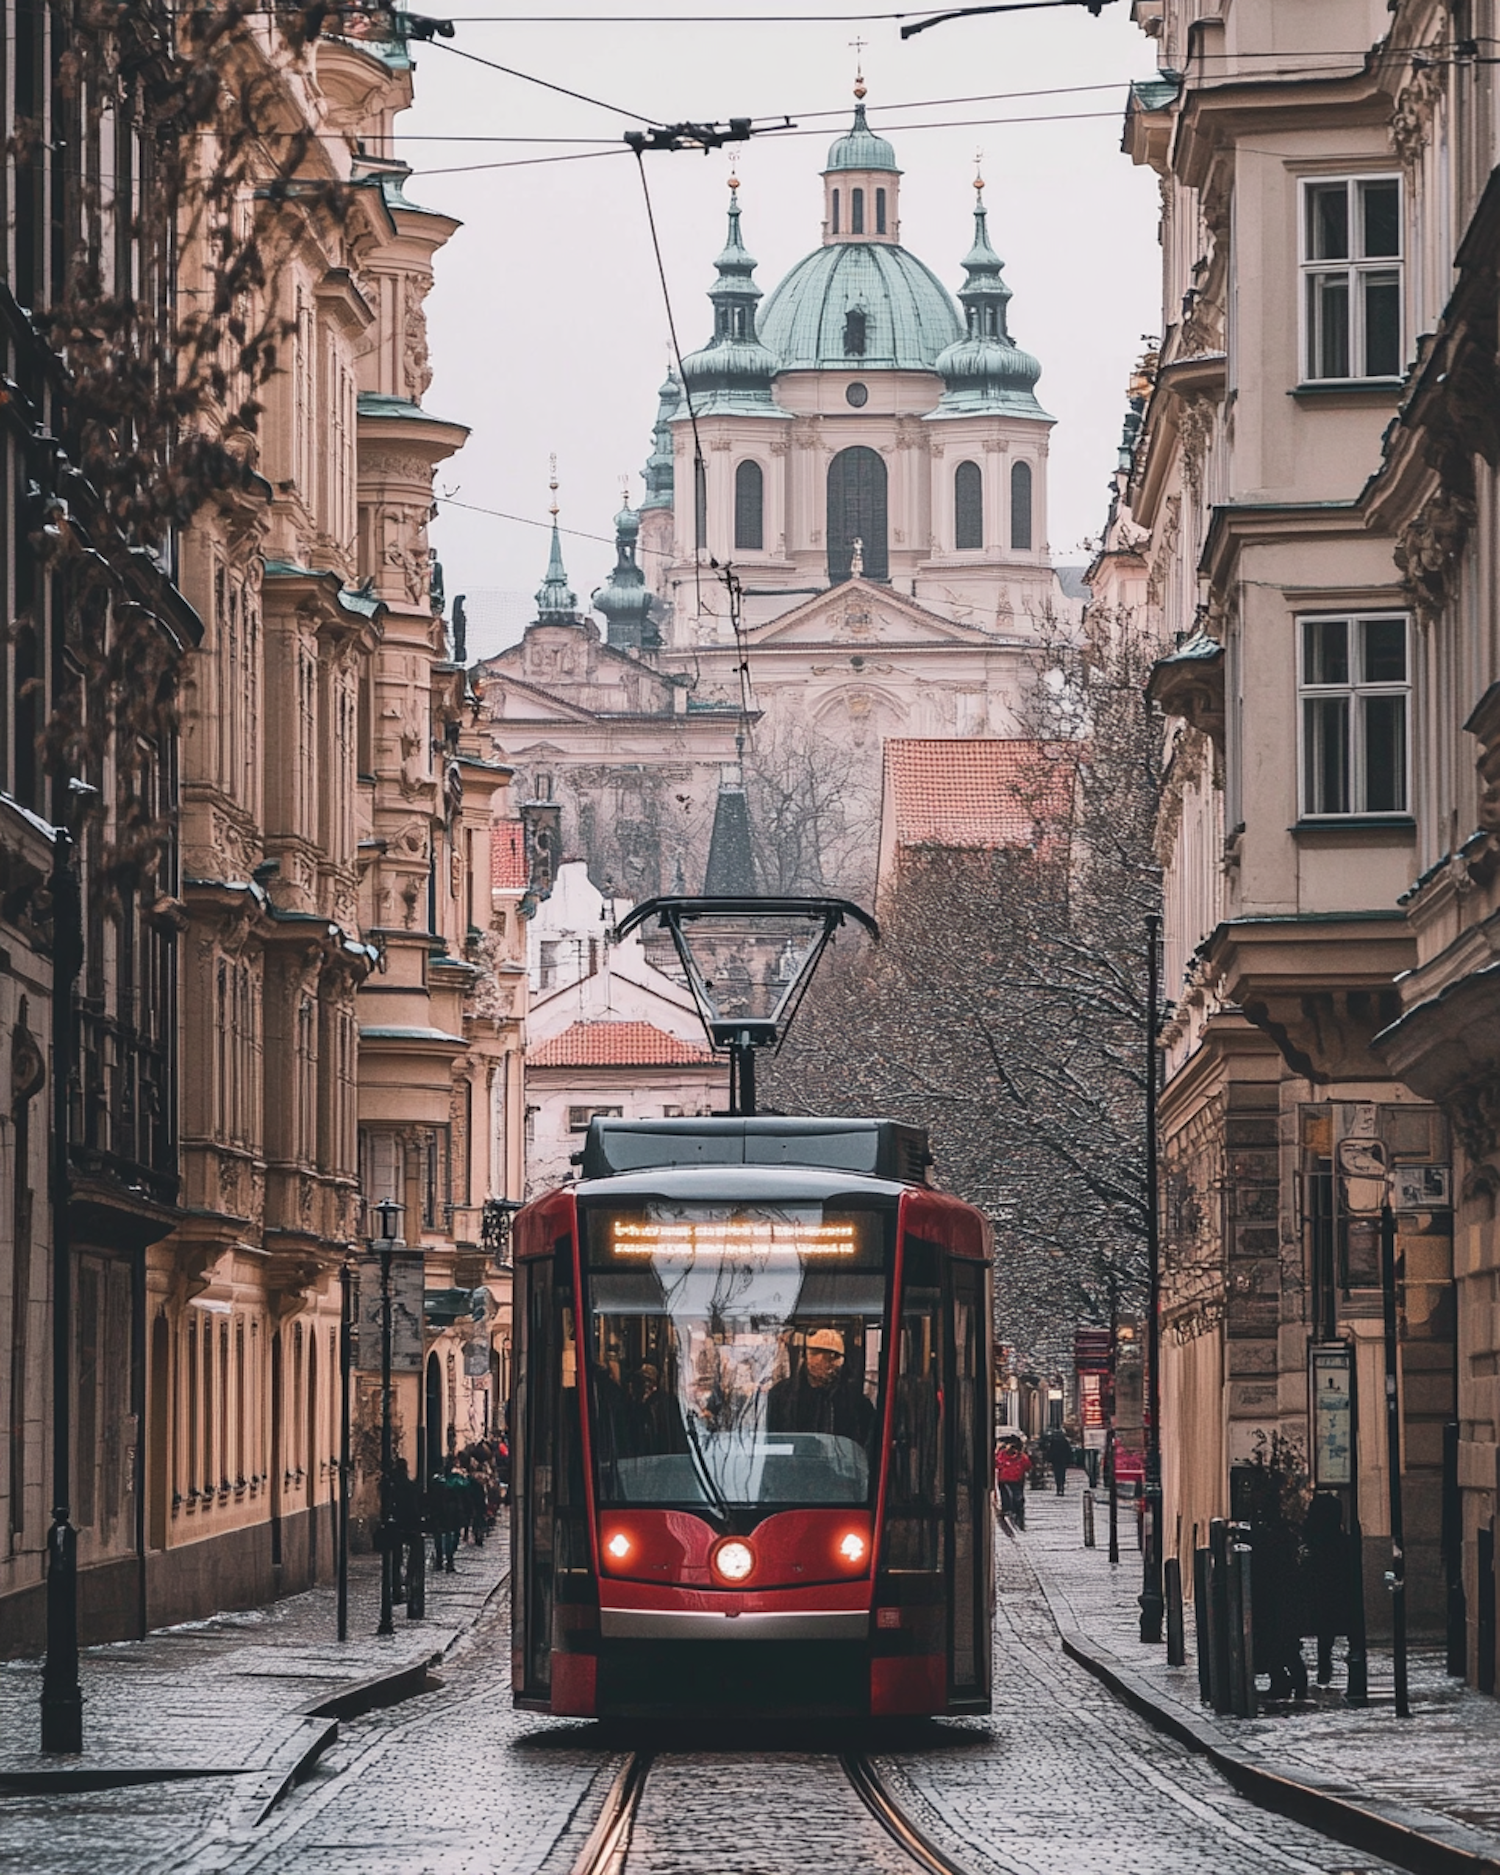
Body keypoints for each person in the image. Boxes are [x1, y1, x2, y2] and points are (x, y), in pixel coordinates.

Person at [767, 1328, 874, 1443]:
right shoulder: (782, 1395)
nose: (822, 1360)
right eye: (816, 1353)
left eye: (832, 1356)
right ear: (805, 1355)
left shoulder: (856, 1402)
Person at [995, 1437, 1032, 1526]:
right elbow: (1028, 1466)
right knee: (1014, 1497)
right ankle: (1014, 1512)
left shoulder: (1002, 1455)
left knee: (1010, 1497)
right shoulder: (1020, 1456)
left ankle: (1010, 1511)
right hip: (1012, 1480)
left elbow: (996, 1463)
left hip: (1008, 1480)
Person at [1044, 1425, 1073, 1495]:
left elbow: (1050, 1451)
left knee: (1057, 1474)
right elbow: (1068, 1451)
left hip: (1055, 1460)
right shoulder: (1065, 1441)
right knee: (1062, 1474)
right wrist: (1069, 1460)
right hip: (1063, 1460)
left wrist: (1049, 1459)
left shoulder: (1053, 1441)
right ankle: (1061, 1486)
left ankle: (1058, 1487)